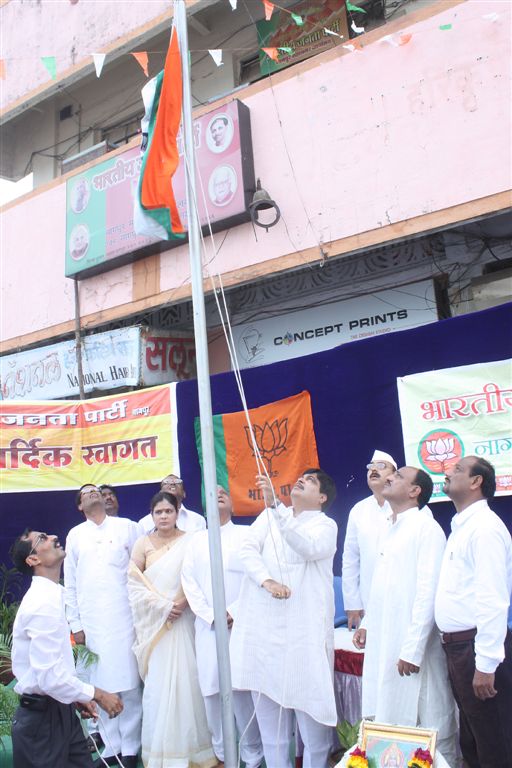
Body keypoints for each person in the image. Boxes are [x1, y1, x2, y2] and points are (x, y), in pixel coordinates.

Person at [230, 469, 338, 768]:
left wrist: (276, 506)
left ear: (322, 497)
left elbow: (306, 546)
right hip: (266, 634)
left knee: (313, 728)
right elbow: (247, 550)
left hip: (305, 636)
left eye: (311, 480)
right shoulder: (268, 517)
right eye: (301, 477)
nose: (302, 480)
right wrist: (267, 581)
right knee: (272, 732)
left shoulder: (325, 526)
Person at [353, 467, 457, 765]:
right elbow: (384, 588)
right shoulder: (391, 527)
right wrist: (368, 623)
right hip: (385, 642)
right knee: (387, 715)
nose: (389, 478)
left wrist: (411, 649)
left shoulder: (426, 528)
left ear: (415, 491)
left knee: (428, 720)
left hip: (412, 651)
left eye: (398, 476)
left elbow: (427, 593)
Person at [10, 529, 123, 768]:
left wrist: (74, 698)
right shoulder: (41, 603)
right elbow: (49, 677)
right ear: (33, 559)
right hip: (41, 724)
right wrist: (98, 694)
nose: (53, 537)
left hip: (59, 712)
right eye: (42, 539)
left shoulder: (53, 595)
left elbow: (54, 673)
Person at [128, 491, 217, 768]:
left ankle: (194, 752)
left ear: (178, 513)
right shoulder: (142, 543)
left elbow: (198, 578)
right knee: (157, 688)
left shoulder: (191, 542)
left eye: (168, 511)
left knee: (189, 682)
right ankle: (161, 754)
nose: (164, 516)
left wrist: (181, 604)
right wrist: (164, 606)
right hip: (157, 627)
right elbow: (133, 586)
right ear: (151, 516)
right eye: (158, 512)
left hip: (185, 619)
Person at [435, 456, 512, 768]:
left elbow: (493, 599)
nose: (447, 472)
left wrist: (486, 663)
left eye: (457, 469)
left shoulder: (485, 529)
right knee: (473, 736)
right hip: (459, 647)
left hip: (475, 647)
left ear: (476, 481)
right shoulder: (462, 527)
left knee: (495, 738)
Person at [182, 486, 264, 768]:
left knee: (242, 691)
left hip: (242, 625)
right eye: (211, 493)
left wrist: (232, 612)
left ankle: (252, 756)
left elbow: (256, 578)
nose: (217, 495)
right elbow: (188, 581)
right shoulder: (196, 541)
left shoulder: (247, 535)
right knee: (212, 691)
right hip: (208, 627)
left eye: (223, 493)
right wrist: (211, 615)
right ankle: (222, 755)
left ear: (232, 502)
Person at [64, 484, 142, 768]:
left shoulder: (127, 528)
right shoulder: (75, 535)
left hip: (126, 617)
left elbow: (142, 570)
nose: (93, 493)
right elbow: (69, 583)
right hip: (92, 623)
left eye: (96, 490)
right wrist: (76, 624)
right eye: (85, 493)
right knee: (102, 684)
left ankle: (131, 750)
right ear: (79, 506)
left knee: (130, 685)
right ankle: (112, 749)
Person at [342, 449, 396, 630]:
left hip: (400, 598)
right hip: (369, 601)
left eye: (381, 466)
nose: (374, 469)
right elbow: (350, 558)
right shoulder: (359, 509)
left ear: (395, 474)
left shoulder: (407, 505)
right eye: (370, 467)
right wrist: (352, 603)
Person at [138, 473, 206, 533]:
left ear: (184, 494)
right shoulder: (144, 523)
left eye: (177, 482)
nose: (172, 483)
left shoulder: (198, 520)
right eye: (167, 482)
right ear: (160, 493)